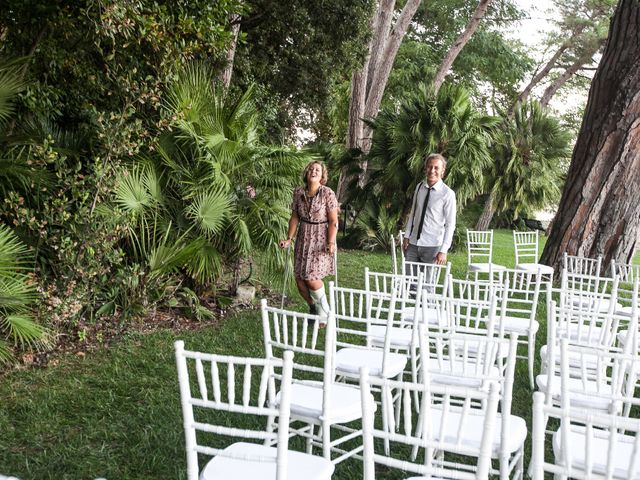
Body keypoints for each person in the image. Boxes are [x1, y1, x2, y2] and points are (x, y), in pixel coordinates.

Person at [279, 161, 339, 323]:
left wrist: (331, 242)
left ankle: (325, 313)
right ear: (306, 173)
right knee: (300, 281)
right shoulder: (298, 192)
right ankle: (313, 307)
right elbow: (294, 217)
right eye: (311, 169)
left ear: (322, 175)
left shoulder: (327, 193)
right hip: (303, 237)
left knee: (311, 278)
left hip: (321, 238)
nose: (313, 171)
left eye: (317, 170)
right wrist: (289, 239)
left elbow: (333, 221)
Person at [402, 153, 456, 265]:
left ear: (443, 171)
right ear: (425, 169)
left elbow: (450, 224)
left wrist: (444, 250)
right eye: (429, 167)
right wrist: (407, 236)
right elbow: (413, 214)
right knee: (408, 280)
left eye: (436, 168)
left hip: (433, 246)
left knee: (427, 282)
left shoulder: (448, 194)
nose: (432, 171)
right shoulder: (419, 187)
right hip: (413, 244)